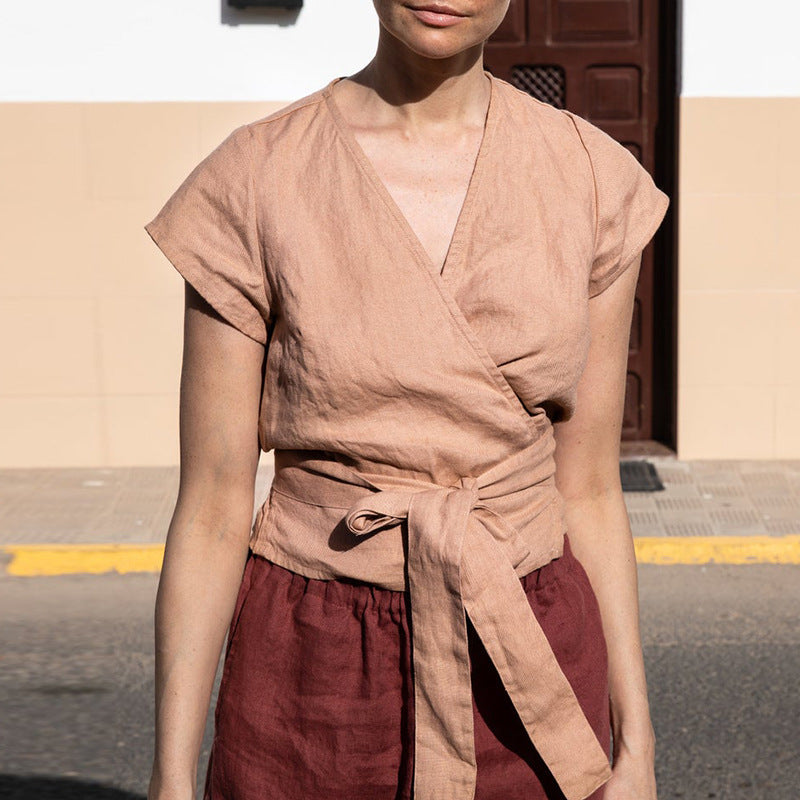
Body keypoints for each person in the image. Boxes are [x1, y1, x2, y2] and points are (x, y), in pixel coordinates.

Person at [144, 2, 669, 799]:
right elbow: (214, 503)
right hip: (309, 668)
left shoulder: (593, 179)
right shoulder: (254, 178)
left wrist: (638, 742)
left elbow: (589, 489)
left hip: (529, 656)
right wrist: (171, 776)